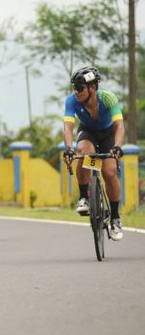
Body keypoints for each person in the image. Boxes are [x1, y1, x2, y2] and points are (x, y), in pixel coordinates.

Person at [62, 66, 125, 240]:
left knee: (109, 172)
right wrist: (68, 148)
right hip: (88, 132)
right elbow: (68, 126)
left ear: (93, 88)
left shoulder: (108, 98)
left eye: (80, 88)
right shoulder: (72, 101)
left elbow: (119, 125)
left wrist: (118, 146)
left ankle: (115, 218)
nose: (76, 92)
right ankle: (84, 198)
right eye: (75, 87)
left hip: (108, 134)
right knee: (84, 153)